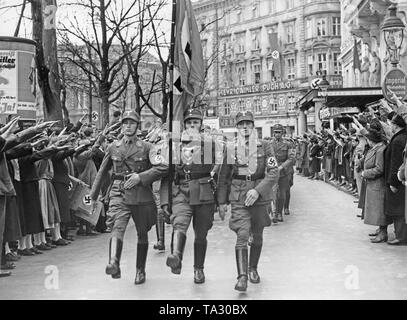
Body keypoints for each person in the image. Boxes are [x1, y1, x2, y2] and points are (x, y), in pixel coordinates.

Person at [90, 111, 168, 284]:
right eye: (125, 123)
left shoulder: (147, 147)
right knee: (117, 225)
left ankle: (140, 270)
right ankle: (113, 262)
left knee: (142, 232)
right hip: (120, 192)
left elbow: (163, 167)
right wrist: (92, 197)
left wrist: (141, 177)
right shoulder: (113, 147)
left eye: (131, 123)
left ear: (137, 125)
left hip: (141, 193)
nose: (128, 126)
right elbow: (101, 173)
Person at [160, 108, 223, 284]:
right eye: (189, 122)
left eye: (196, 122)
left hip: (204, 191)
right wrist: (165, 200)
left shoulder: (210, 144)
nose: (192, 125)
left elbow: (220, 172)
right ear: (184, 125)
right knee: (179, 222)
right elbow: (166, 174)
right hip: (181, 190)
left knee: (201, 234)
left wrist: (221, 201)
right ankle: (176, 256)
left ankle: (198, 269)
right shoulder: (175, 147)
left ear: (201, 125)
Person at [218, 111, 279, 292]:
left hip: (259, 197)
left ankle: (253, 268)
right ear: (236, 127)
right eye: (241, 124)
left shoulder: (265, 146)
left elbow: (273, 172)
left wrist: (258, 190)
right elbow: (223, 176)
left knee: (258, 235)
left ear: (253, 126)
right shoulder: (230, 148)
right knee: (242, 234)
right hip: (238, 197)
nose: (245, 127)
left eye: (248, 124)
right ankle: (242, 277)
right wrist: (222, 202)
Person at [361, 128, 388, 243]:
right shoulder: (376, 148)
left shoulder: (380, 150)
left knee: (379, 209)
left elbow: (379, 169)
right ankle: (381, 229)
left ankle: (383, 232)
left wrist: (365, 173)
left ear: (371, 140)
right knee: (377, 209)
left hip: (378, 184)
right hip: (373, 184)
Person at [383, 114, 407, 245]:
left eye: (391, 124)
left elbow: (396, 162)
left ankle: (401, 236)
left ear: (396, 125)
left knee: (398, 209)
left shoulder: (398, 140)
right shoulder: (401, 137)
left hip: (397, 180)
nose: (390, 126)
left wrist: (393, 182)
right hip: (400, 179)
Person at [270, 124, 294, 223]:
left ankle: (280, 212)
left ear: (282, 133)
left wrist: (281, 167)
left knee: (282, 194)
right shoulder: (269, 144)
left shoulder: (288, 144)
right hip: (272, 171)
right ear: (273, 133)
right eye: (276, 132)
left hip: (284, 172)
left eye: (279, 132)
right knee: (273, 193)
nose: (277, 134)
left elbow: (291, 158)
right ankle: (274, 213)